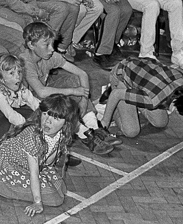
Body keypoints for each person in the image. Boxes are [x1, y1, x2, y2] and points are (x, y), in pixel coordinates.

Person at [19, 22, 118, 155]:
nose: (51, 49)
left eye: (52, 44)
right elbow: (41, 92)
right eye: (46, 45)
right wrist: (72, 91)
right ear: (31, 45)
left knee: (74, 80)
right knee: (60, 104)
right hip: (26, 100)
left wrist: (83, 100)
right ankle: (86, 136)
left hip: (42, 90)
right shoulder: (25, 61)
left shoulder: (49, 55)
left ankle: (96, 129)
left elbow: (82, 74)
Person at [0, 94, 79, 216]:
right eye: (45, 114)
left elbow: (48, 163)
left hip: (28, 165)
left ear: (66, 123)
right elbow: (34, 173)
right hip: (8, 165)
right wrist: (37, 202)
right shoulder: (33, 137)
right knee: (54, 199)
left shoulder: (61, 134)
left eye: (56, 118)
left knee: (60, 188)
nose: (48, 121)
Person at [101, 58, 183, 157]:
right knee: (131, 131)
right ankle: (114, 96)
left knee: (160, 122)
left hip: (143, 76)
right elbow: (116, 94)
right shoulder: (154, 99)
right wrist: (104, 124)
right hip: (121, 75)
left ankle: (135, 98)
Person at [0, 55, 40, 145]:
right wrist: (28, 128)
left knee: (34, 115)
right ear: (1, 78)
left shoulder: (20, 88)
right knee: (24, 122)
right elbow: (10, 114)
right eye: (11, 73)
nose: (17, 76)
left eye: (19, 72)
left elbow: (33, 102)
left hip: (7, 117)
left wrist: (48, 114)